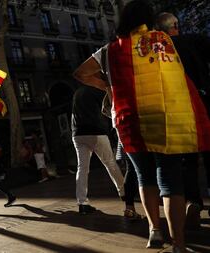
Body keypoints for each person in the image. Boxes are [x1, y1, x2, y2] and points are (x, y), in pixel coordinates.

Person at [73, 1, 210, 252]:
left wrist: (107, 86)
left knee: (144, 177)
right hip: (164, 119)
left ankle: (154, 232)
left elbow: (81, 73)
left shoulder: (109, 50)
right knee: (169, 181)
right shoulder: (163, 41)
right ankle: (179, 243)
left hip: (128, 121)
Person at [156, 12, 210, 227]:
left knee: (188, 161)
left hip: (176, 110)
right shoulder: (193, 41)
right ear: (176, 25)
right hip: (203, 104)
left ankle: (193, 201)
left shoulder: (157, 50)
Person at [71, 85, 125, 215]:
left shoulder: (77, 92)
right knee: (110, 163)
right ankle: (124, 192)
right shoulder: (98, 90)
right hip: (96, 132)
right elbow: (107, 110)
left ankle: (82, 203)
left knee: (82, 168)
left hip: (77, 133)